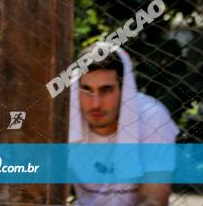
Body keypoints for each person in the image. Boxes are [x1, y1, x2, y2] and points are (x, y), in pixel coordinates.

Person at [69, 42, 178, 206]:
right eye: (86, 90)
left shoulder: (153, 117)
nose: (95, 104)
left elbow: (155, 200)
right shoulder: (66, 118)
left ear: (124, 90)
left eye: (106, 90)